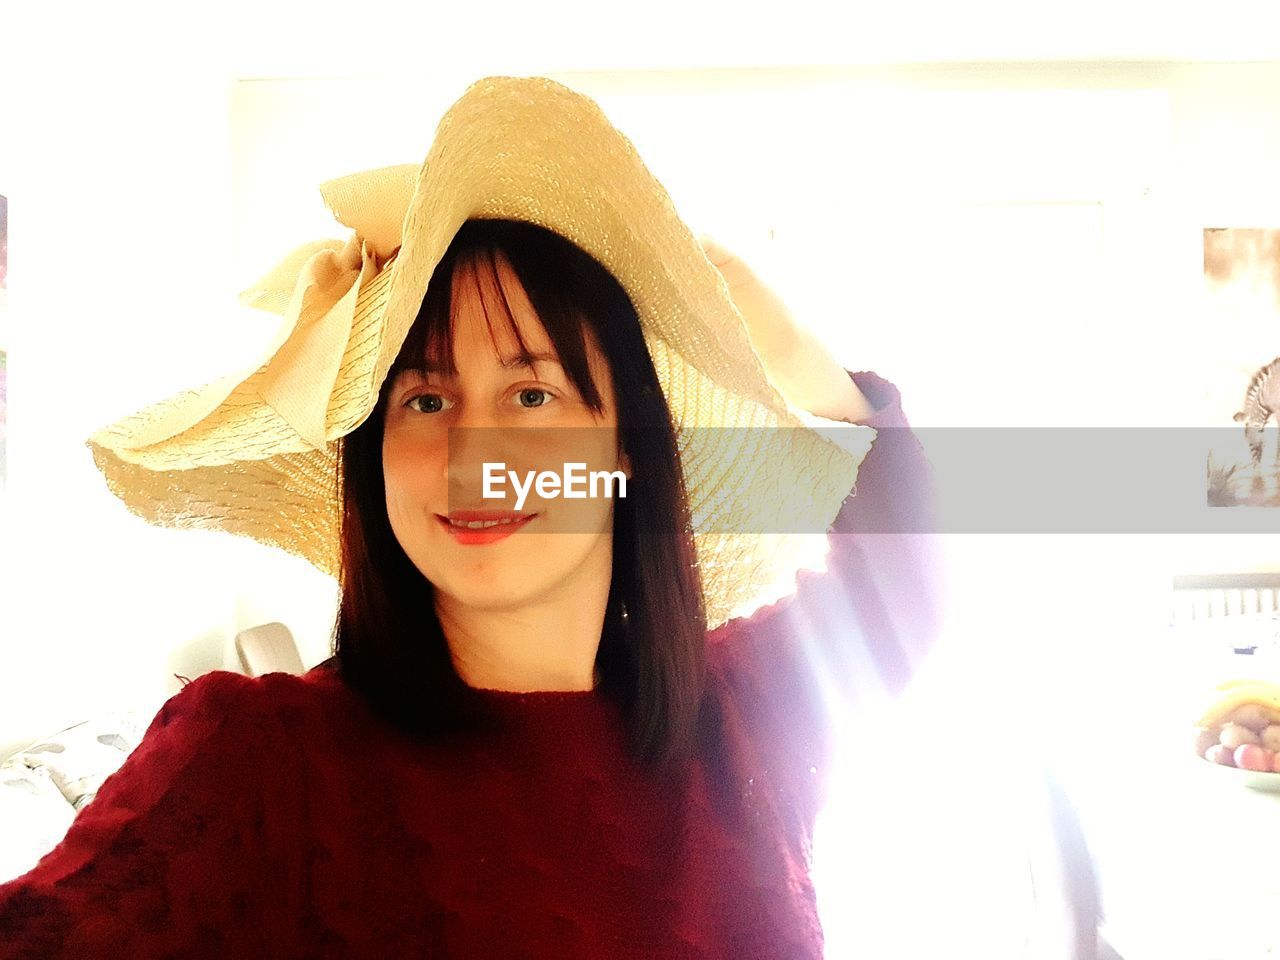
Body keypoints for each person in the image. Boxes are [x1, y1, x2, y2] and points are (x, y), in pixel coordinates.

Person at [0, 76, 942, 957]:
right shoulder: (257, 762)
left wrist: (798, 363)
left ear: (625, 454)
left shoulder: (747, 708)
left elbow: (909, 587)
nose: (473, 455)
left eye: (533, 395)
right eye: (424, 399)